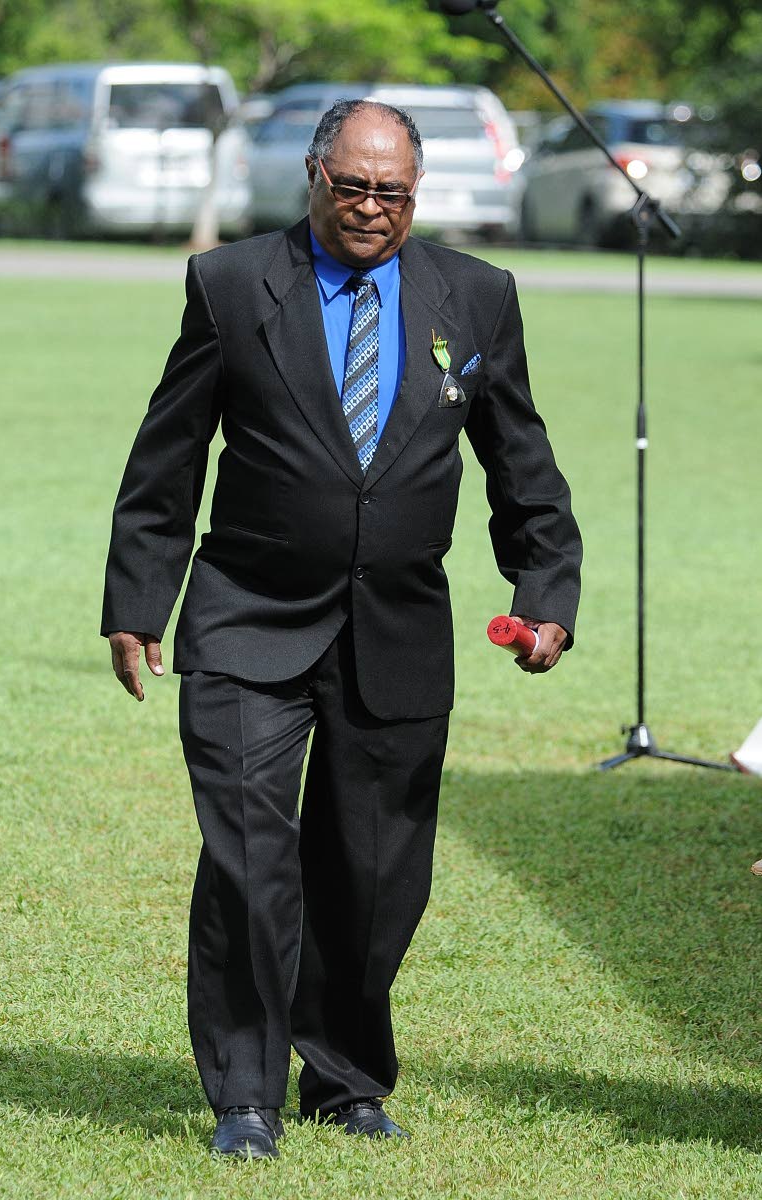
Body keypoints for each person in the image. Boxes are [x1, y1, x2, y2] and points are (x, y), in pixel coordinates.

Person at [101, 99, 582, 1160]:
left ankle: (345, 1080)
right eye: (353, 187)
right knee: (246, 859)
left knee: (373, 876)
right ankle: (243, 1095)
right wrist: (138, 603)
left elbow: (523, 470)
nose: (371, 209)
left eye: (393, 193)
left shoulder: (476, 296)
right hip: (246, 620)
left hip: (396, 632)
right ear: (315, 176)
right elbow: (168, 458)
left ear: (417, 193)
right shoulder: (230, 286)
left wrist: (544, 594)